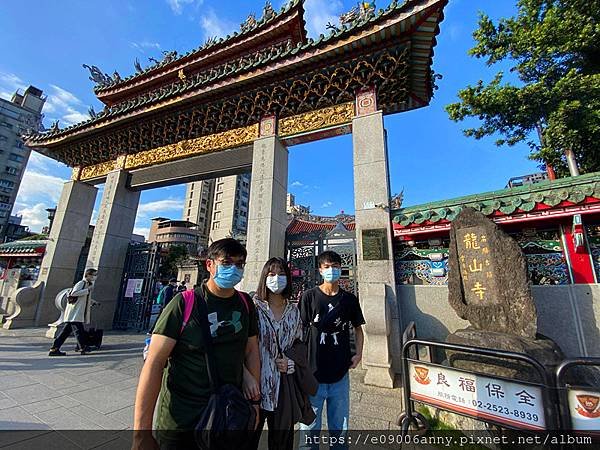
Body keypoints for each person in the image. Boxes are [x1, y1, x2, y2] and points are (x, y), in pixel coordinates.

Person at [133, 238, 261, 449]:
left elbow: (251, 350)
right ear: (209, 264)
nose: (234, 269)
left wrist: (254, 401)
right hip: (182, 420)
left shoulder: (246, 303)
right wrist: (141, 433)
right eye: (227, 263)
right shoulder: (184, 303)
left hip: (227, 415)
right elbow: (154, 364)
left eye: (239, 264)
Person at [299, 251, 365, 450]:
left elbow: (358, 329)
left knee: (340, 429)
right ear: (320, 270)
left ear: (341, 268)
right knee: (309, 429)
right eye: (327, 267)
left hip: (340, 374)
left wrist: (359, 354)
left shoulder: (349, 300)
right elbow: (298, 330)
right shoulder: (309, 296)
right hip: (313, 374)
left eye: (335, 266)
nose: (331, 270)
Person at [248, 257, 302, 450]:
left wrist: (290, 362)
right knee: (248, 440)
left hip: (283, 388)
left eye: (281, 274)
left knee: (282, 443)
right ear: (264, 277)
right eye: (271, 274)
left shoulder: (294, 311)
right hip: (255, 388)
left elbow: (299, 345)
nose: (276, 278)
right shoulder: (252, 308)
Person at [49, 268, 99, 356]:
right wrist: (87, 290)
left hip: (76, 312)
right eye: (94, 275)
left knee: (66, 332)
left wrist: (93, 301)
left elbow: (84, 298)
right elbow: (74, 293)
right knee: (78, 331)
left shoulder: (88, 284)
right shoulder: (81, 283)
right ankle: (82, 347)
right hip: (74, 312)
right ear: (88, 275)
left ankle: (54, 349)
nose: (95, 277)